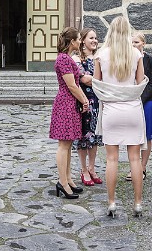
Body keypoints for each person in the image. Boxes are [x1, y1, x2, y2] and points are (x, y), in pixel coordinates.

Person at [92, 16, 148, 218]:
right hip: (132, 108)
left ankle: (111, 202)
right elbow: (140, 83)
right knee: (135, 158)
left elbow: (97, 84)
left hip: (111, 109)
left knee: (111, 159)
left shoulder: (101, 55)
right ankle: (138, 203)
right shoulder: (136, 54)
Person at [50, 27, 88, 199]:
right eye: (79, 39)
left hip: (69, 103)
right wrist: (84, 100)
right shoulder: (64, 59)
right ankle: (63, 182)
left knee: (68, 143)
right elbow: (71, 85)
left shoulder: (66, 58)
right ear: (72, 41)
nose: (80, 42)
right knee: (64, 145)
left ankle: (68, 179)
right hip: (66, 103)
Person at [72, 28, 103, 186]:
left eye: (96, 38)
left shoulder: (99, 58)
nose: (95, 40)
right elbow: (84, 80)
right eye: (91, 38)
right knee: (83, 136)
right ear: (83, 40)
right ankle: (84, 169)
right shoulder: (77, 59)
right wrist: (98, 81)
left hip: (97, 102)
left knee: (94, 137)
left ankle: (92, 168)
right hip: (83, 102)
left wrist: (96, 80)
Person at [130, 31, 152, 182]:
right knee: (133, 135)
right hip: (130, 101)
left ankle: (142, 167)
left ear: (143, 43)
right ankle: (133, 167)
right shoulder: (128, 60)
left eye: (136, 42)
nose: (133, 45)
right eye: (131, 42)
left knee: (147, 135)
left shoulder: (151, 60)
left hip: (146, 101)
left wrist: (140, 98)